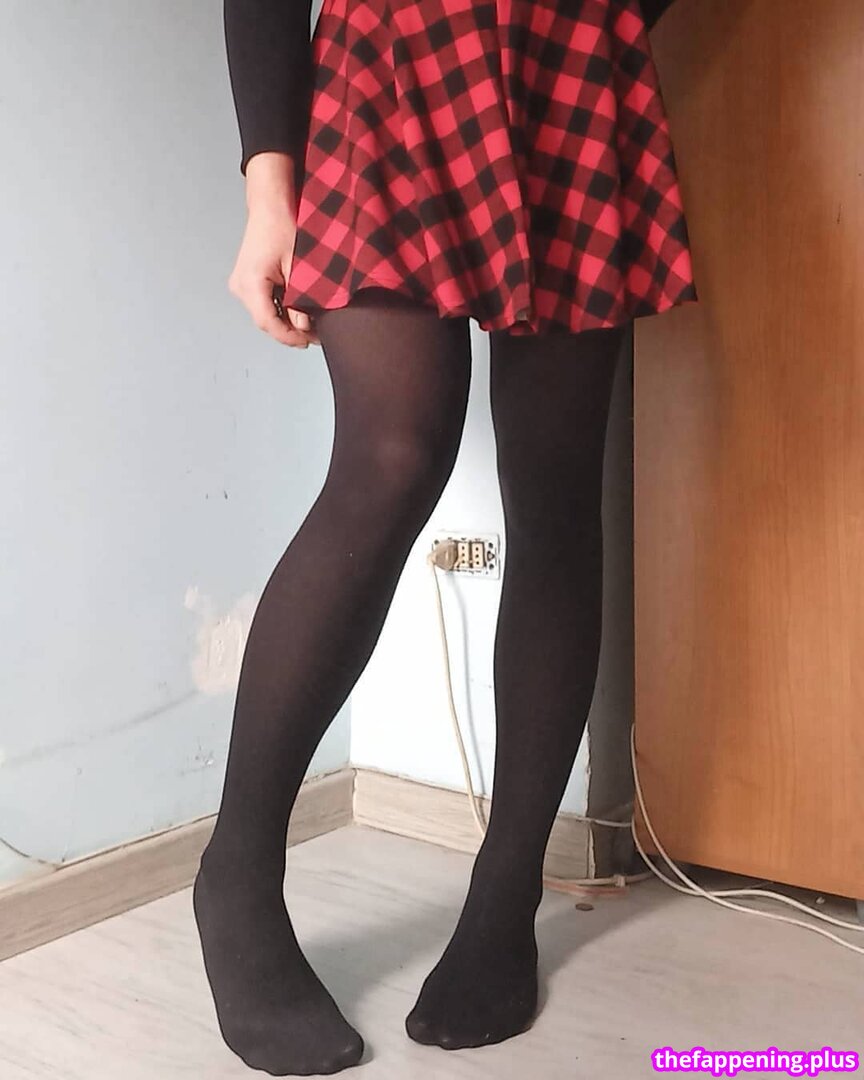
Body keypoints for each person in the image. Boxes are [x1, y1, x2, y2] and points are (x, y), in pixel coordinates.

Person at [192, 0, 697, 1074]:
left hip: (571, 64)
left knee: (556, 494)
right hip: (393, 58)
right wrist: (269, 191)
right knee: (390, 460)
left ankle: (505, 895)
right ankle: (236, 878)